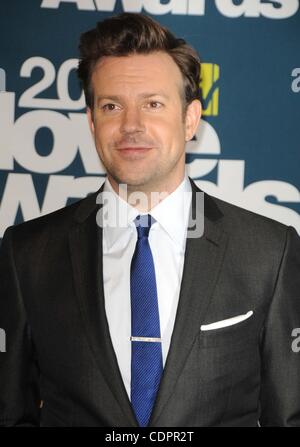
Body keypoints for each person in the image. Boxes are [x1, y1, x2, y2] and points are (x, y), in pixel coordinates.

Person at [0, 13, 299, 428]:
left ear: (190, 119)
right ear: (91, 121)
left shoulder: (269, 250)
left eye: (153, 104)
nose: (131, 126)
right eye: (111, 106)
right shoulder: (27, 253)